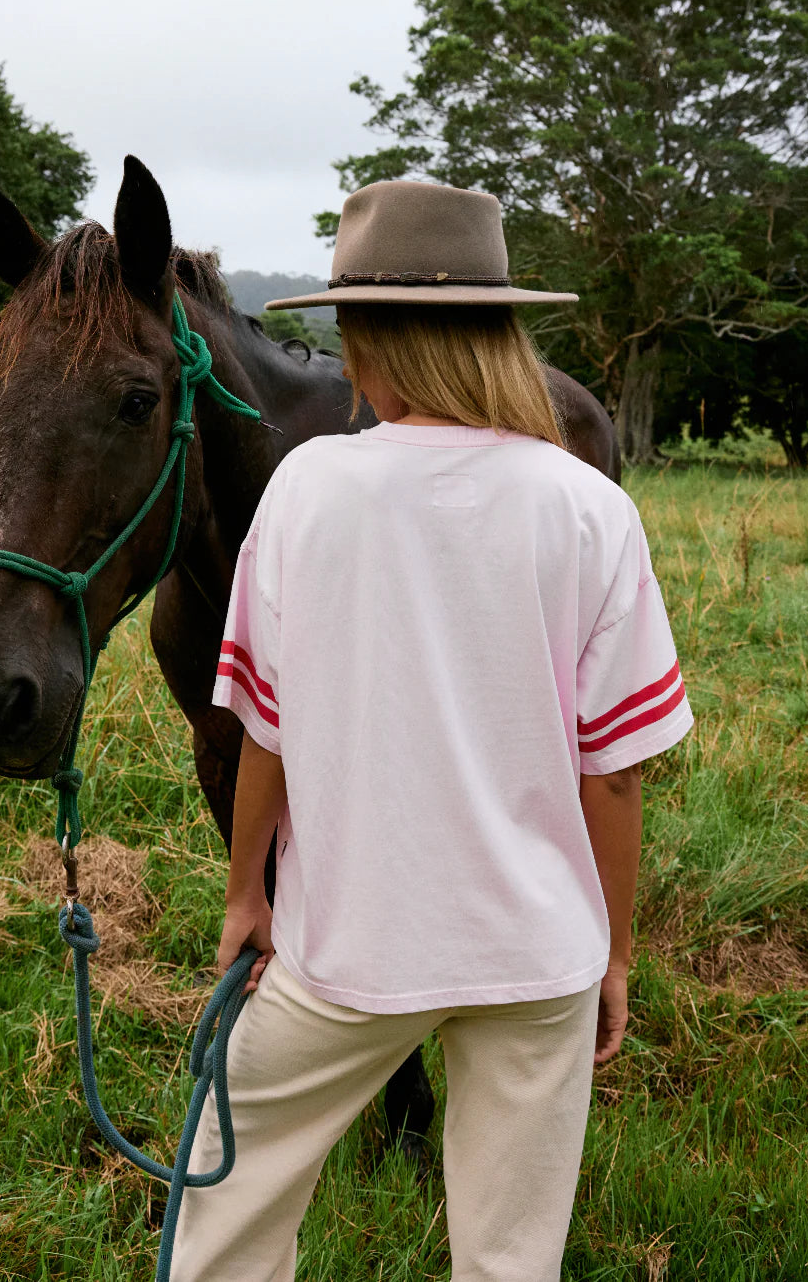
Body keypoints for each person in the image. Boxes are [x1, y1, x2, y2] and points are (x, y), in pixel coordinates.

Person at [170, 180, 693, 1282]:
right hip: (538, 952)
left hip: (347, 949)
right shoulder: (590, 507)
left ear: (360, 340)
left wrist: (246, 897)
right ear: (500, 329)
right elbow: (614, 775)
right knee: (511, 1259)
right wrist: (613, 952)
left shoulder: (308, 489)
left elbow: (264, 732)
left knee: (226, 1202)